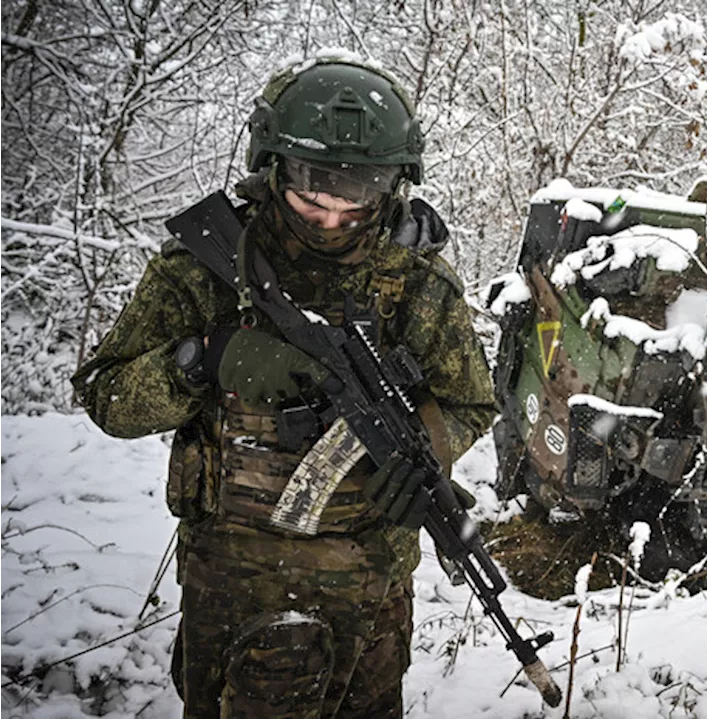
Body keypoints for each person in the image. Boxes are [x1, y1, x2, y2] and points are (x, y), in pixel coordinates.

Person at [71, 56, 497, 718]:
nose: (329, 221)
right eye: (310, 200)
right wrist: (203, 359)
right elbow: (106, 394)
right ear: (271, 167)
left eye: (352, 205)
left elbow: (473, 401)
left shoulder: (416, 283)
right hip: (236, 587)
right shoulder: (208, 266)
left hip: (373, 593)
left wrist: (427, 450)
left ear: (390, 189)